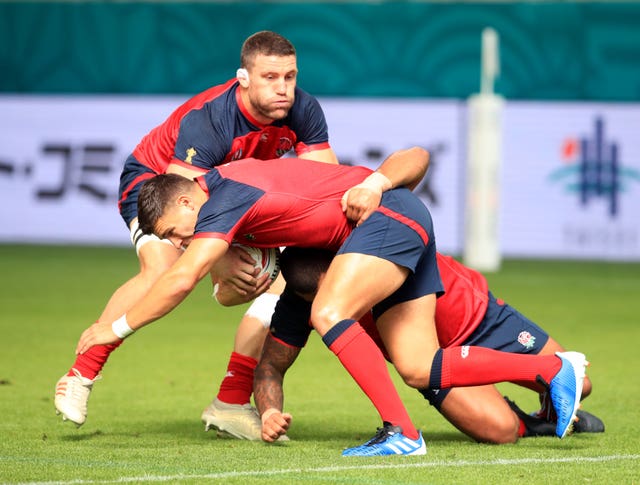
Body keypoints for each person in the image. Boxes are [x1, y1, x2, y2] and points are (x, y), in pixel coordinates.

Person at [74, 147, 588, 457]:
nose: (183, 243)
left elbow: (182, 279)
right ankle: (549, 374)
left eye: (175, 232)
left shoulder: (222, 195)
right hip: (399, 232)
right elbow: (265, 349)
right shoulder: (290, 257)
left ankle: (403, 433)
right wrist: (269, 409)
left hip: (404, 231)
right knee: (418, 368)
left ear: (187, 200)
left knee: (330, 312)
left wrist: (109, 333)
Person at [54, 31, 340, 440]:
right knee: (164, 271)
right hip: (157, 186)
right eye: (270, 78)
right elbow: (182, 203)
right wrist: (220, 258)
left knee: (286, 282)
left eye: (290, 77)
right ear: (243, 78)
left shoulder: (304, 110)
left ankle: (231, 401)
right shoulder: (210, 120)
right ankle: (81, 373)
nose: (283, 89)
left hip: (234, 198)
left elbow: (325, 183)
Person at [253, 247, 605, 444]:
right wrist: (269, 412)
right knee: (501, 431)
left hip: (480, 318)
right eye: (322, 300)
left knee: (582, 384)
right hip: (432, 359)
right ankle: (535, 422)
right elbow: (270, 367)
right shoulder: (301, 303)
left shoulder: (375, 247)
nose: (336, 306)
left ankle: (550, 406)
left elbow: (413, 162)